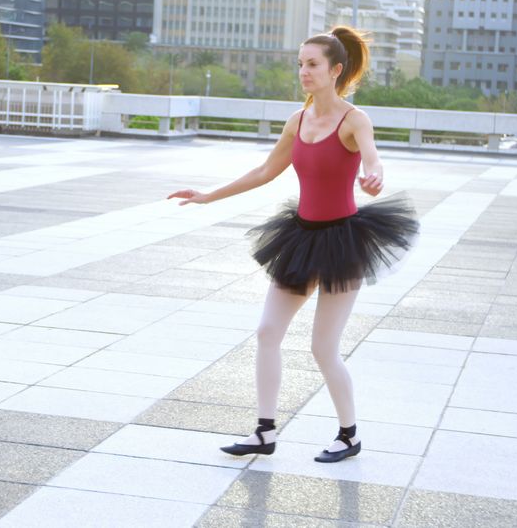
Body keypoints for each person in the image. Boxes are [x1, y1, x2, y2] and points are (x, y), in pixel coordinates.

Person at [167, 26, 419, 463]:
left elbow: (372, 157)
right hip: (300, 238)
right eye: (300, 64)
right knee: (267, 332)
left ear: (336, 70)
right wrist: (208, 195)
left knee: (323, 348)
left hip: (343, 242)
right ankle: (264, 433)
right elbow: (265, 172)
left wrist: (374, 175)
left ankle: (349, 434)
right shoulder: (297, 121)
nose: (303, 71)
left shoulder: (353, 119)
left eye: (312, 64)